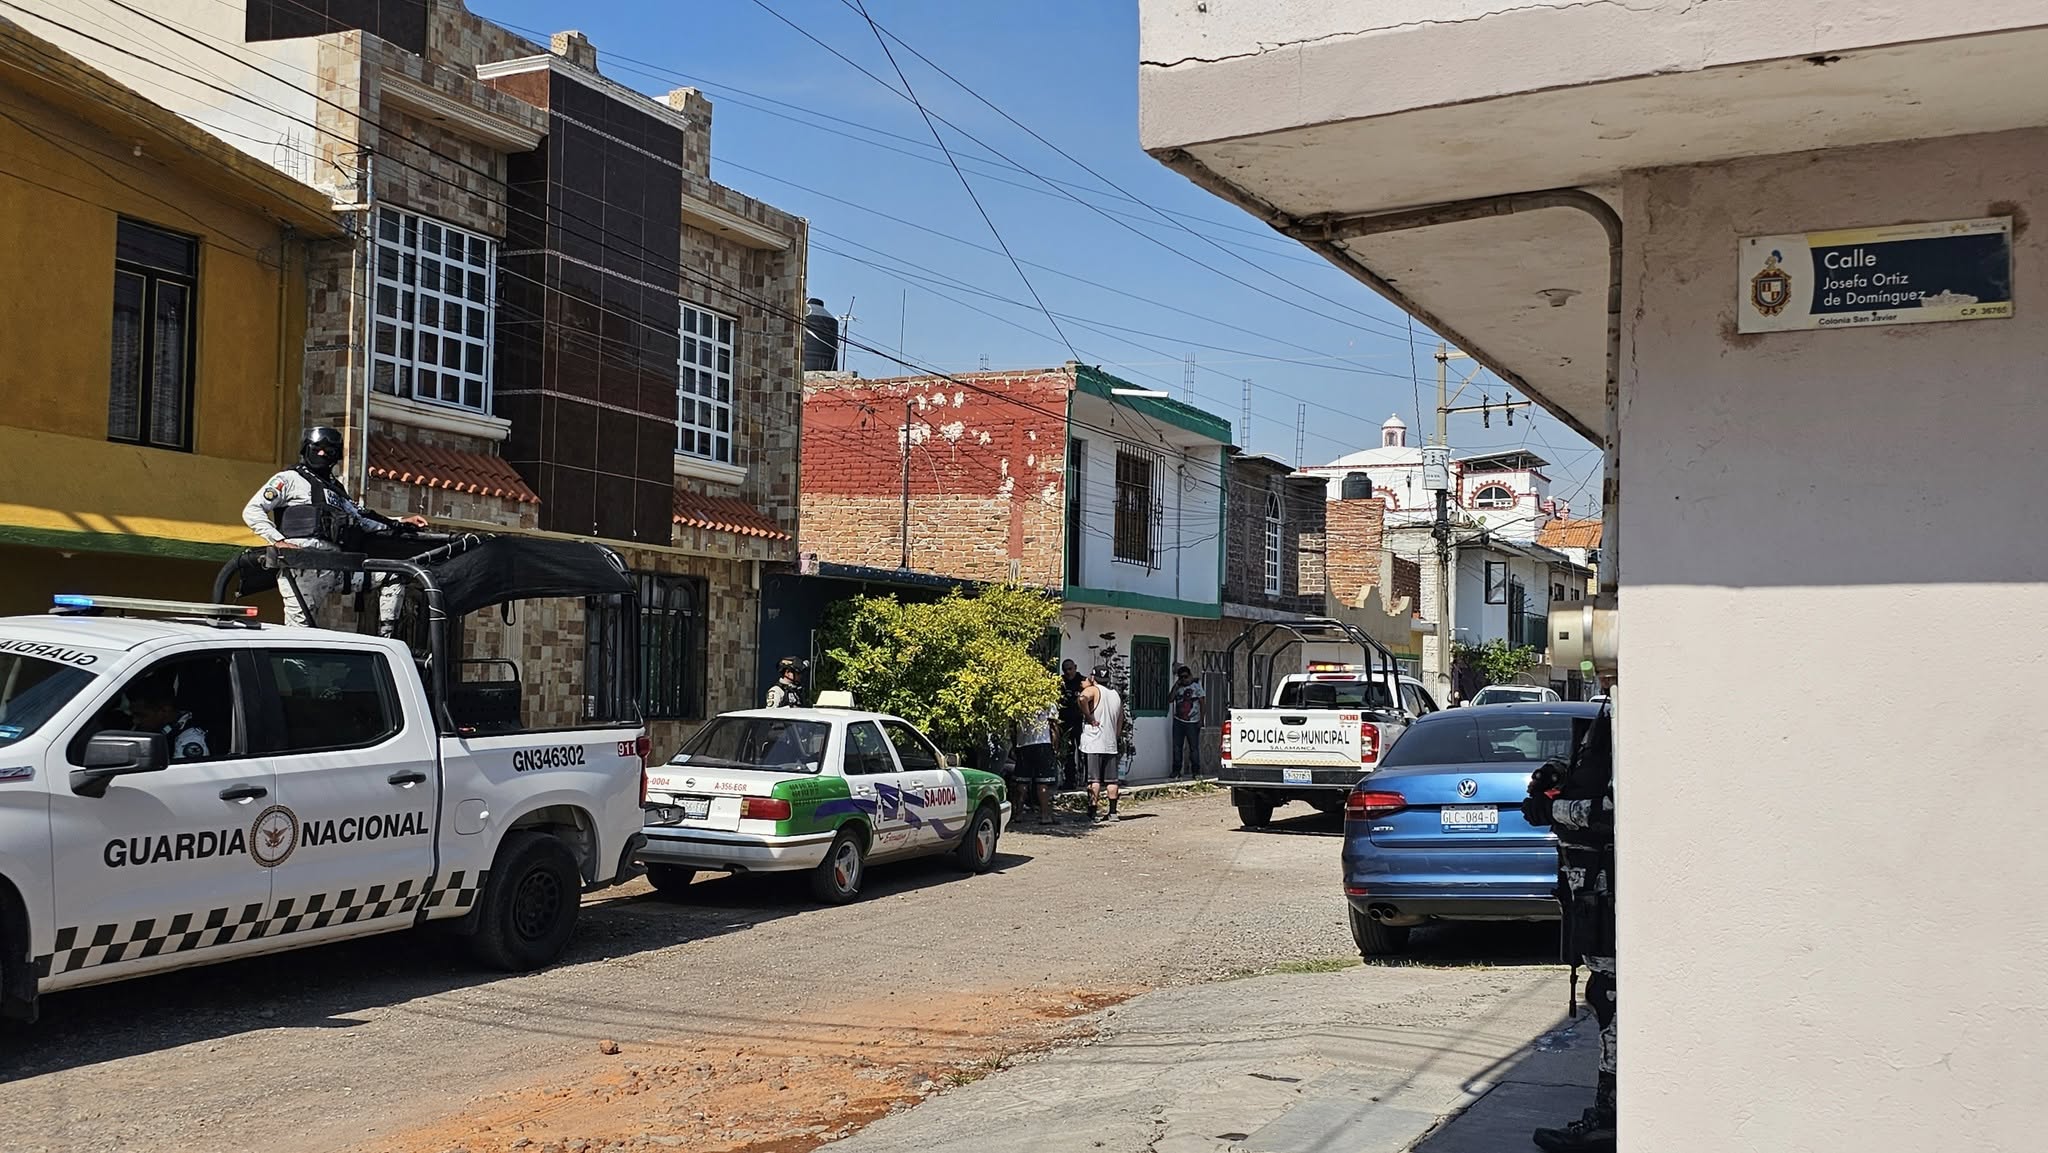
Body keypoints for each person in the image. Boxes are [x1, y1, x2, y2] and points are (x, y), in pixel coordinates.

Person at [1522, 708, 1617, 1153]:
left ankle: (1611, 1119)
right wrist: (1559, 777)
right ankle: (1610, 1114)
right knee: (1604, 994)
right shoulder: (1610, 714)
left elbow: (1617, 809)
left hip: (1610, 893)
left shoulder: (1636, 714)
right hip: (1591, 892)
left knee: (1613, 998)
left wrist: (1553, 807)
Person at [242, 426, 428, 631]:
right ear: (306, 449)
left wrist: (400, 521)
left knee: (395, 574)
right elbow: (253, 510)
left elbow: (361, 518)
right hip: (303, 567)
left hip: (337, 567)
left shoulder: (336, 490)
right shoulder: (288, 479)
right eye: (317, 448)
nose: (322, 454)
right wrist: (278, 541)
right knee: (299, 636)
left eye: (329, 451)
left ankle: (386, 641)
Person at [125, 675, 208, 761]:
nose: (135, 721)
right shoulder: (161, 730)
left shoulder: (188, 740)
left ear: (165, 710)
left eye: (141, 715)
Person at [1078, 669, 1124, 822]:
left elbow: (1082, 698)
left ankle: (1092, 811)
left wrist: (1089, 716)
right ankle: (1113, 812)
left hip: (1094, 742)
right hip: (1110, 743)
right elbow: (1120, 719)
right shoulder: (1115, 695)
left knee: (1094, 780)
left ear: (1093, 677)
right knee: (1112, 780)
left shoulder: (1093, 690)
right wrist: (1115, 736)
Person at [1010, 702, 1059, 826]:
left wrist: (1015, 745)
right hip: (1043, 743)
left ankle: (1019, 814)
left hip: (1023, 744)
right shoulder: (1047, 702)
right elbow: (1053, 726)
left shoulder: (1017, 702)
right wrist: (1055, 746)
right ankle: (1044, 815)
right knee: (1043, 782)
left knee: (1022, 781)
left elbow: (1013, 727)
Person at [1168, 665, 1206, 779]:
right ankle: (1176, 770)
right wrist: (1176, 685)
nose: (1184, 680)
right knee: (1177, 747)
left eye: (1185, 677)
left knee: (1193, 747)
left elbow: (1203, 703)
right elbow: (1170, 699)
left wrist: (1201, 719)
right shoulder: (1178, 687)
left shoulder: (1196, 687)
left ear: (1190, 676)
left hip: (1193, 722)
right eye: (1181, 677)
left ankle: (1196, 771)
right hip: (1179, 721)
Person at [1057, 659, 1085, 790]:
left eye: (1070, 669)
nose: (1068, 672)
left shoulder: (1083, 681)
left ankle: (1086, 779)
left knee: (1084, 751)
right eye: (1065, 669)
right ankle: (1070, 780)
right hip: (1065, 722)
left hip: (1081, 722)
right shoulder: (1060, 682)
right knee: (1068, 752)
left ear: (1075, 667)